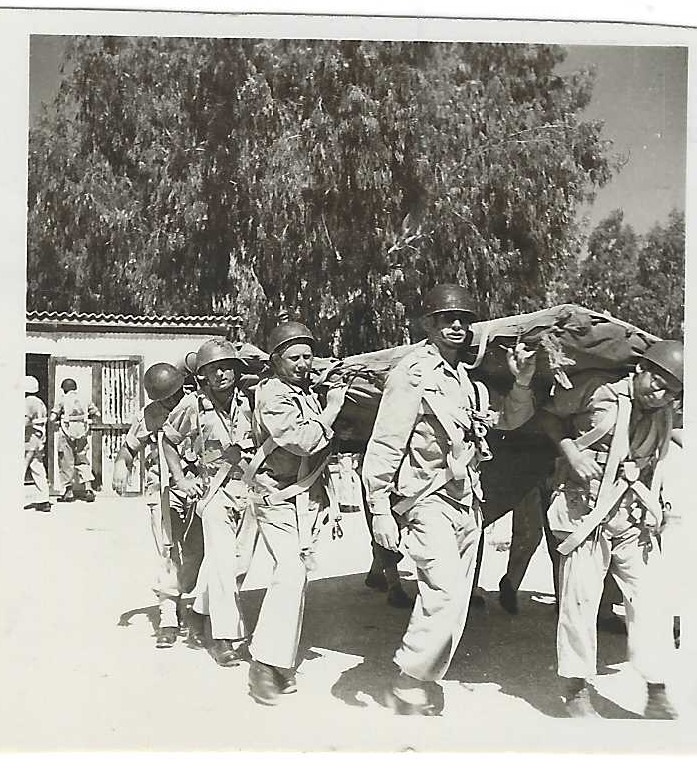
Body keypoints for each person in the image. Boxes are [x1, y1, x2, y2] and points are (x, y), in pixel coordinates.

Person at [362, 283, 538, 715]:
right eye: (446, 319)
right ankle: (407, 681)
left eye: (463, 319)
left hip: (466, 501)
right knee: (441, 592)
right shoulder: (413, 373)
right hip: (425, 499)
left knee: (457, 597)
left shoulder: (466, 381)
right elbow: (386, 441)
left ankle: (422, 679)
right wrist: (380, 506)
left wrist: (523, 381)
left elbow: (508, 421)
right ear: (429, 324)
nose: (456, 325)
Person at [540, 339, 683, 719]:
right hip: (584, 513)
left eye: (672, 389)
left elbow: (661, 454)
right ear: (640, 370)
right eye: (658, 380)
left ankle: (656, 688)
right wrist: (572, 451)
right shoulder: (596, 389)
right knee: (580, 603)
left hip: (632, 518)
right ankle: (575, 688)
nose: (661, 392)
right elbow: (549, 416)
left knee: (651, 602)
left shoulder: (663, 413)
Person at [245, 321, 348, 705]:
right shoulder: (274, 394)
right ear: (275, 361)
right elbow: (303, 441)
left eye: (308, 356)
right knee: (290, 572)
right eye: (295, 358)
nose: (304, 364)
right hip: (276, 496)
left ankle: (279, 661)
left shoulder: (300, 389)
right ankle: (263, 665)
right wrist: (334, 407)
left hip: (304, 497)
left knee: (297, 573)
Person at [161, 339, 256, 667]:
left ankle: (199, 613)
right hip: (214, 493)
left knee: (240, 564)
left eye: (225, 367)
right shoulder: (191, 405)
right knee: (223, 565)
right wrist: (182, 479)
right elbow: (169, 440)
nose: (220, 374)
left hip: (250, 490)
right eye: (211, 370)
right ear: (203, 376)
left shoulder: (249, 401)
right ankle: (224, 637)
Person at [112, 362, 203, 648]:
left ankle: (182, 598)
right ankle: (167, 617)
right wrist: (120, 467)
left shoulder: (198, 405)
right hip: (162, 489)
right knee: (167, 551)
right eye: (164, 397)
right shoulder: (150, 414)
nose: (170, 400)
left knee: (197, 553)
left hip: (200, 487)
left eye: (174, 394)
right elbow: (129, 448)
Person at [49, 378, 100, 502]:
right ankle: (88, 489)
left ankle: (68, 492)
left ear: (64, 389)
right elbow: (96, 414)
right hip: (82, 433)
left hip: (66, 433)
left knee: (66, 461)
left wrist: (57, 420)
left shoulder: (62, 399)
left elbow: (52, 418)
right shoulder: (85, 399)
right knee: (82, 460)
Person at [24, 375, 51, 513]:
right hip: (40, 439)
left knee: (20, 468)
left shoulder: (28, 402)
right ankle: (44, 499)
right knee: (38, 468)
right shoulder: (40, 403)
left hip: (29, 439)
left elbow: (25, 421)